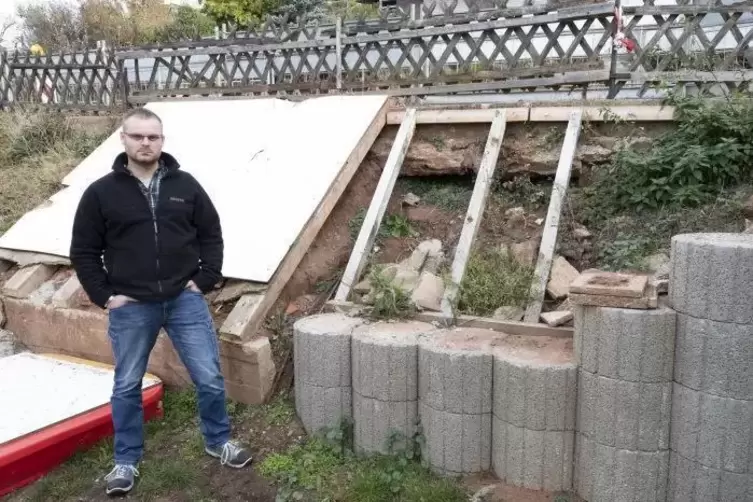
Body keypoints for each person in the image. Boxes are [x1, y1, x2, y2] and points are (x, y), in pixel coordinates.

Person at [70, 108, 252, 496]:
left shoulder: (185, 185)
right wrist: (104, 296)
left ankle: (218, 440)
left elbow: (211, 234)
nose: (145, 143)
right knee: (127, 385)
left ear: (162, 140)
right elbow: (84, 251)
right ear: (123, 139)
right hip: (132, 305)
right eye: (137, 136)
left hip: (184, 301)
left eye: (152, 137)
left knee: (209, 377)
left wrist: (204, 279)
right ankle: (126, 460)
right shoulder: (101, 192)